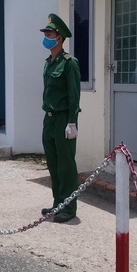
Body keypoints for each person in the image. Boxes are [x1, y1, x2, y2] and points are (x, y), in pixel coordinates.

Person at [39, 14, 81, 223]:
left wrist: (72, 121)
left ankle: (69, 207)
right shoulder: (49, 63)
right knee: (53, 164)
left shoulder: (69, 63)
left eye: (50, 33)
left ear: (60, 37)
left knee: (66, 165)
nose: (46, 36)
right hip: (49, 119)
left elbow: (74, 94)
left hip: (64, 119)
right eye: (45, 33)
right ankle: (58, 203)